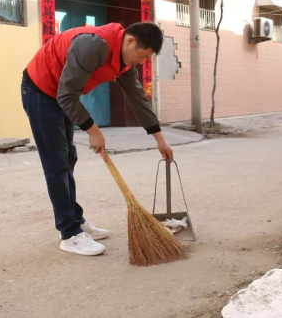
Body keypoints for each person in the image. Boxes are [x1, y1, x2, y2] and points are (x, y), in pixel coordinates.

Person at [21, 21, 174, 256]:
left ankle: (74, 220)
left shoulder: (124, 61)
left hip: (61, 93)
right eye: (142, 56)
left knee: (68, 159)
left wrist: (159, 138)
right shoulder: (93, 46)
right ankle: (70, 234)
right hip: (40, 91)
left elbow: (137, 97)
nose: (142, 62)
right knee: (57, 164)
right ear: (130, 41)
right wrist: (94, 131)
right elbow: (67, 96)